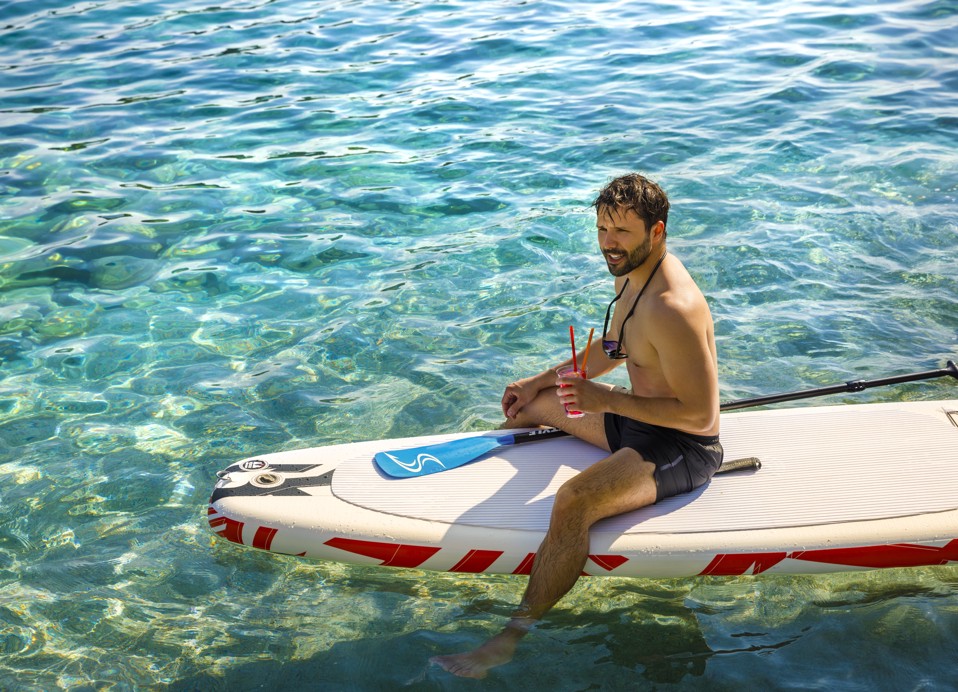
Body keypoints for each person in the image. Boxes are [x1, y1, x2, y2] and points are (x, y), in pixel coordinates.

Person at [430, 173, 723, 679]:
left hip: (680, 446)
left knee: (572, 501)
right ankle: (547, 414)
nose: (609, 243)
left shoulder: (672, 307)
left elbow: (701, 416)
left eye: (621, 233)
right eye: (602, 229)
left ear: (656, 232)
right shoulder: (631, 274)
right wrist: (540, 379)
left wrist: (606, 399)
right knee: (529, 406)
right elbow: (615, 345)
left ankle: (510, 637)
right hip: (631, 421)